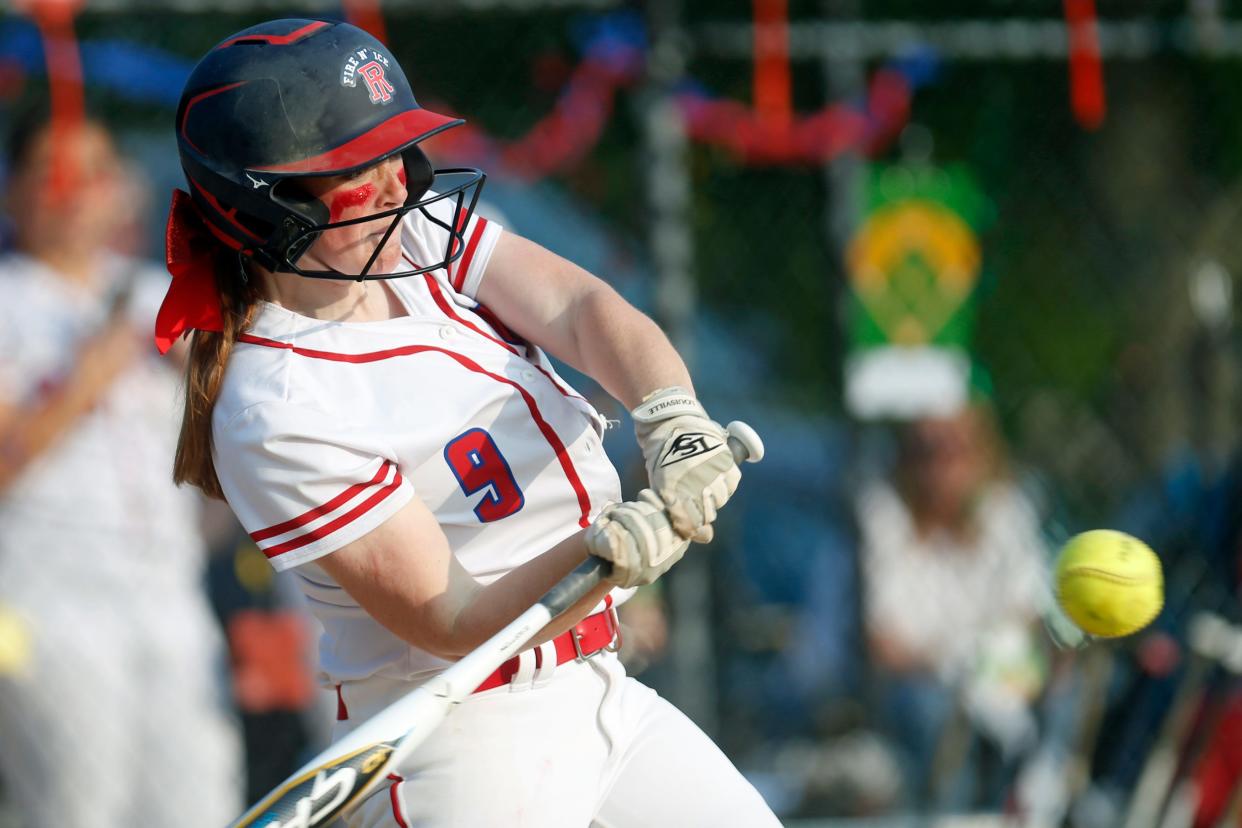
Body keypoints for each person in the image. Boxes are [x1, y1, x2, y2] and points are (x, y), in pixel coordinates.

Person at [159, 19, 779, 827]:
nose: (394, 185)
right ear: (265, 212)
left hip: (599, 688)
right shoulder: (273, 404)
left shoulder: (416, 235)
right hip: (464, 738)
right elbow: (448, 619)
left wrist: (670, 418)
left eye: (394, 153)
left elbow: (584, 310)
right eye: (355, 170)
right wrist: (606, 550)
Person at [0, 112, 241, 825]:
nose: (74, 193)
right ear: (14, 191)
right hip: (48, 600)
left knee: (201, 800)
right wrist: (89, 374)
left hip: (168, 590)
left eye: (93, 173)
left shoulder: (156, 293)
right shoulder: (9, 299)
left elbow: (238, 443)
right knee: (79, 806)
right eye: (52, 174)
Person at [857, 402, 1049, 809]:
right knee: (933, 710)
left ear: (983, 454)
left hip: (999, 680)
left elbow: (1027, 620)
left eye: (957, 449)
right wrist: (956, 668)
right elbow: (883, 644)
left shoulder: (1009, 512)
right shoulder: (882, 515)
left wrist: (990, 673)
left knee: (1056, 695)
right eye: (927, 451)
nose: (942, 464)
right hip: (917, 690)